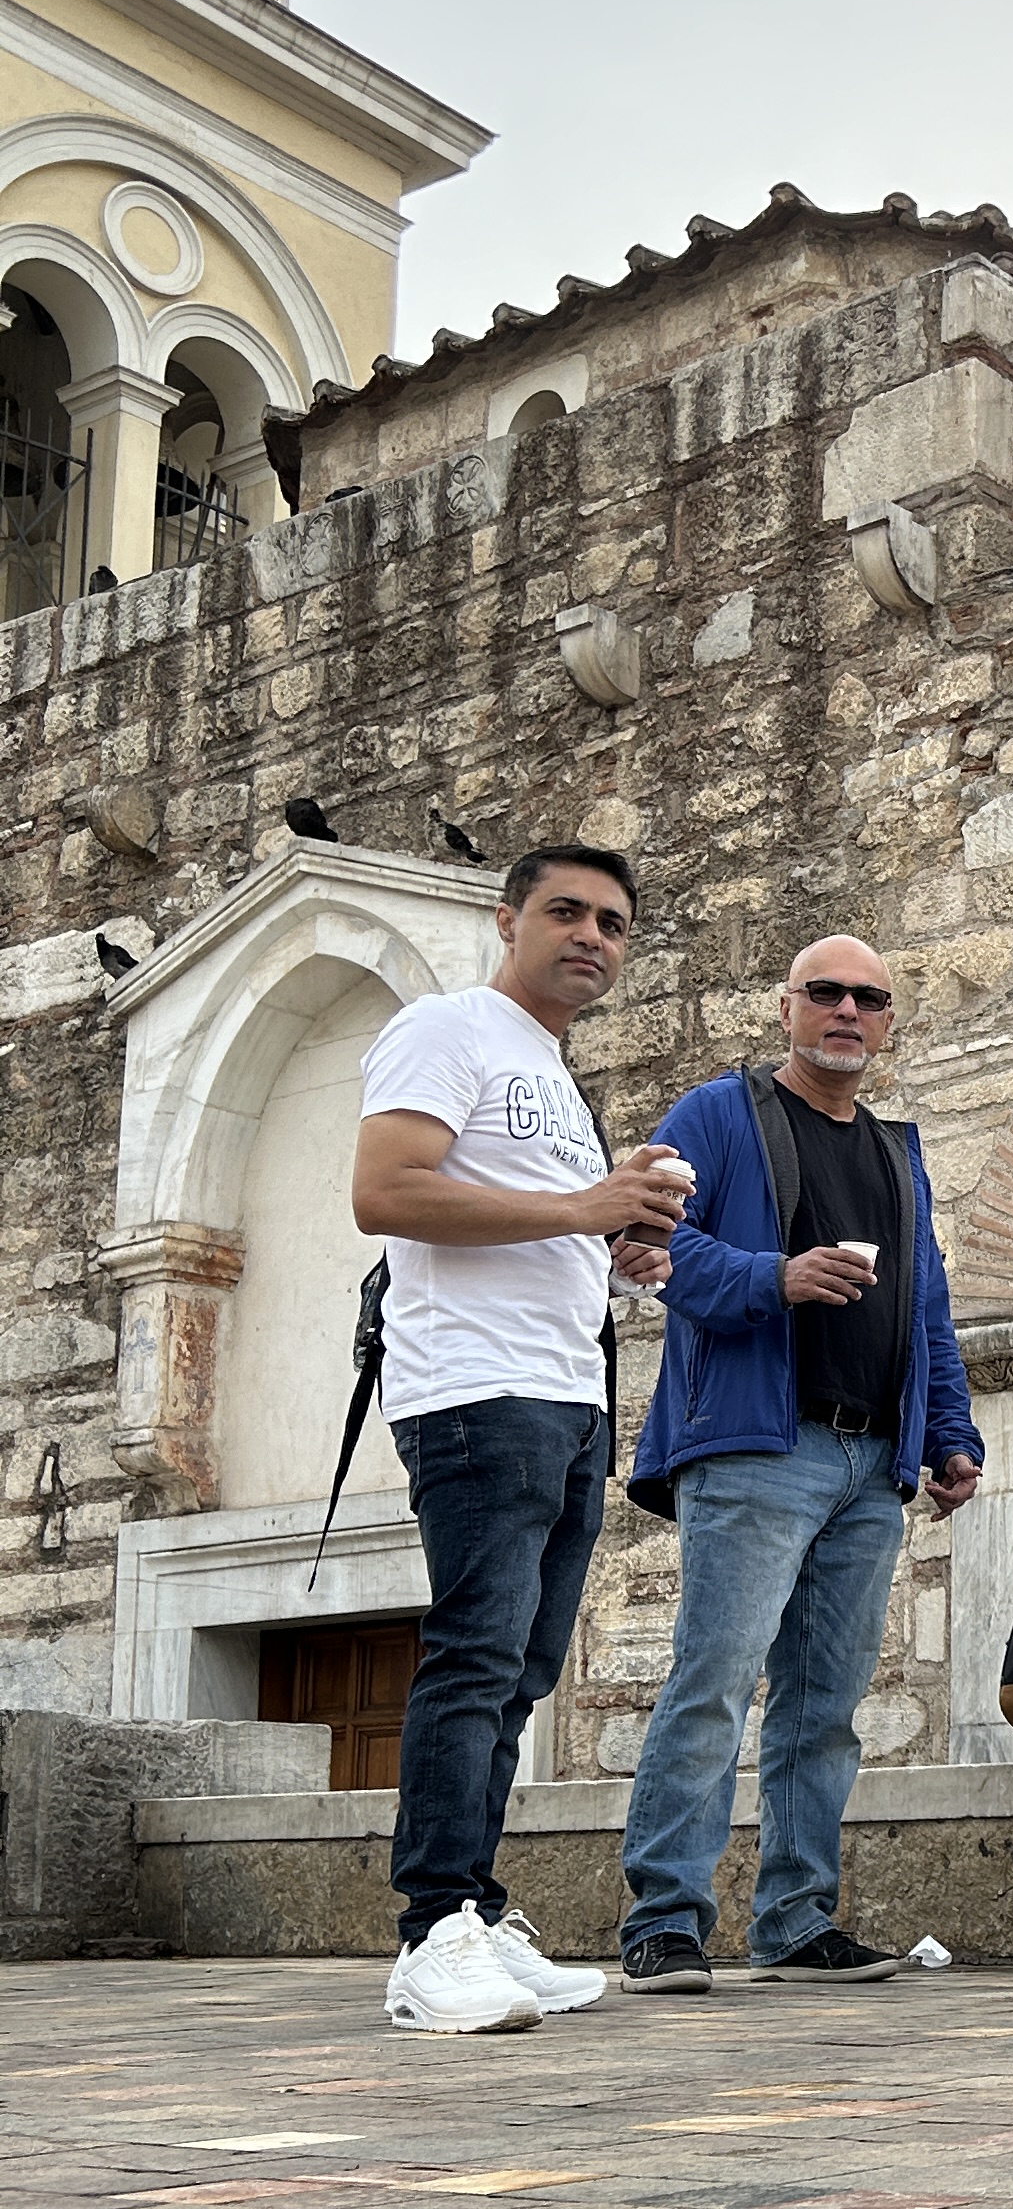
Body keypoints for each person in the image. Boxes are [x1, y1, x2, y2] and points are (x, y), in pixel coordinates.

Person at [351, 843, 686, 2034]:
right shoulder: (447, 1029)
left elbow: (539, 1228)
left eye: (613, 922)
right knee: (476, 1654)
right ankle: (430, 1931)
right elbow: (385, 1192)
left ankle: (474, 1913)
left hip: (568, 1397)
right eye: (566, 911)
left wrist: (616, 1250)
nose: (591, 935)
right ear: (508, 920)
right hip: (475, 1393)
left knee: (524, 1670)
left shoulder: (551, 1073)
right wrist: (583, 1206)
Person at [615, 938, 983, 1992]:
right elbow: (645, 1244)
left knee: (825, 1706)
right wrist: (774, 1277)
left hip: (872, 1463)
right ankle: (664, 1920)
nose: (847, 1010)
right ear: (786, 1008)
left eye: (870, 998)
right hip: (757, 1450)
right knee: (715, 1681)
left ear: (889, 1022)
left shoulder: (896, 1154)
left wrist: (949, 1434)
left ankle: (794, 1920)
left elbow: (926, 1307)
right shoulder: (715, 1115)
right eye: (826, 992)